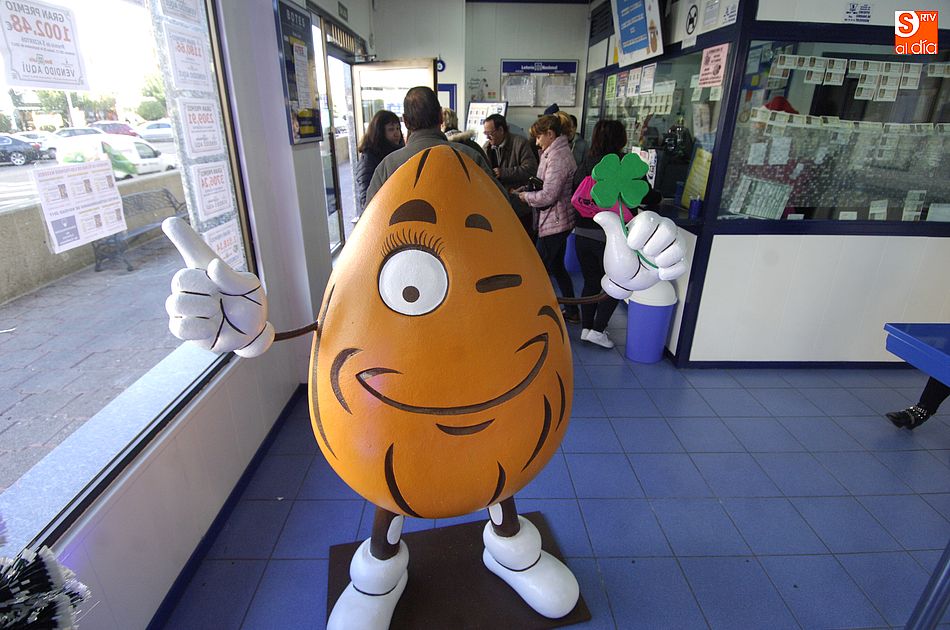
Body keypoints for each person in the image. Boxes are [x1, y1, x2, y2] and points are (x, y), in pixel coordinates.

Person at [572, 119, 661, 349]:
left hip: (583, 233)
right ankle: (598, 330)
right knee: (617, 282)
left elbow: (575, 194)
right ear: (621, 139)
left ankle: (586, 328)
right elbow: (648, 196)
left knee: (591, 281)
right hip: (613, 238)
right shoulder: (626, 166)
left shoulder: (585, 164)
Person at [366, 86, 504, 204]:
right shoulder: (471, 157)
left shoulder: (388, 167)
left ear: (406, 122)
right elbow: (502, 204)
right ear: (440, 117)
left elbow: (370, 222)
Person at [517, 114, 579, 323]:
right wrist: (527, 189)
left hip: (555, 222)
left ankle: (533, 313)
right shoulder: (552, 153)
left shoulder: (558, 157)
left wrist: (524, 197)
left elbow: (549, 195)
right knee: (557, 267)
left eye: (539, 137)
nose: (537, 142)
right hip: (555, 220)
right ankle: (571, 312)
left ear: (550, 134)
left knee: (538, 268)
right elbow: (543, 185)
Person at [483, 113, 538, 240]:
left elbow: (531, 169)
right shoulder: (486, 148)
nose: (487, 137)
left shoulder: (520, 144)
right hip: (498, 205)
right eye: (485, 133)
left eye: (490, 133)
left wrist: (504, 172)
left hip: (519, 205)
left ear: (501, 130)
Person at [354, 110, 403, 216]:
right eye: (391, 129)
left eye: (398, 128)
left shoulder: (398, 153)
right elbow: (366, 199)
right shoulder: (369, 159)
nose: (396, 133)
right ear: (379, 132)